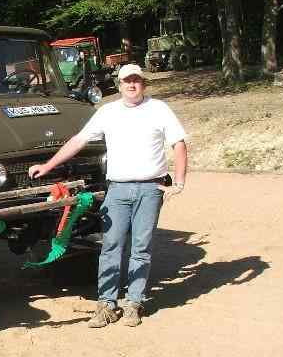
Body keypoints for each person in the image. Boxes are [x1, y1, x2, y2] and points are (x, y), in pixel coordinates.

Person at [28, 63, 187, 327]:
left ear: (143, 84)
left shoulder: (159, 109)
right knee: (111, 246)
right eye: (127, 81)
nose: (131, 85)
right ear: (119, 84)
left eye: (136, 80)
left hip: (151, 188)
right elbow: (79, 140)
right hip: (117, 189)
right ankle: (106, 305)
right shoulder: (108, 112)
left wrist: (179, 182)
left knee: (141, 247)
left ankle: (134, 303)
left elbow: (178, 143)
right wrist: (48, 165)